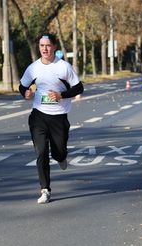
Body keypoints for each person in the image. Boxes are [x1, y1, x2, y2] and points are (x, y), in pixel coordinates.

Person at [19, 33, 84, 204]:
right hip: (38, 116)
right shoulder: (33, 68)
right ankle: (45, 189)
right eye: (41, 46)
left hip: (59, 117)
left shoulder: (64, 67)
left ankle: (61, 157)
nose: (45, 49)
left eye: (48, 45)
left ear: (54, 46)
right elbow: (22, 85)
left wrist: (61, 95)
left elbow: (79, 88)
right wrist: (25, 92)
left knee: (59, 152)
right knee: (41, 153)